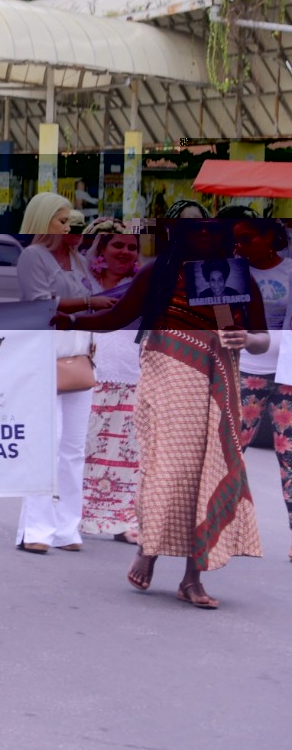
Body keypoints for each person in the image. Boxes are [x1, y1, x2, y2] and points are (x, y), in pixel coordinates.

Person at [60, 218, 268, 608]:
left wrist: (246, 337)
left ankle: (192, 577)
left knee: (211, 469)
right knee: (170, 466)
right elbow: (117, 317)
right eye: (196, 229)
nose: (204, 235)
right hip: (168, 369)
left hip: (219, 377)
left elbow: (260, 339)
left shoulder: (238, 279)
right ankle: (150, 549)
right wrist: (68, 320)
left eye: (212, 230)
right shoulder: (162, 270)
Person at [14, 192, 115, 556]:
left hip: (79, 357)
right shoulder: (31, 257)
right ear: (44, 222)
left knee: (73, 448)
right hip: (43, 357)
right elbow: (40, 303)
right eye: (62, 220)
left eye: (73, 220)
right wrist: (89, 303)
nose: (70, 227)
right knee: (46, 444)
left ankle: (67, 526)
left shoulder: (79, 259)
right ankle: (35, 528)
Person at [78, 223, 143, 544]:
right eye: (118, 245)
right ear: (101, 249)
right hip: (88, 377)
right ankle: (75, 515)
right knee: (84, 449)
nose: (125, 252)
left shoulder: (143, 286)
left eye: (132, 247)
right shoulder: (82, 284)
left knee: (127, 457)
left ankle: (124, 520)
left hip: (132, 378)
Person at [232, 217, 292, 562]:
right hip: (247, 370)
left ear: (269, 237)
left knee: (290, 456)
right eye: (236, 239)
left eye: (248, 237)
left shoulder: (289, 271)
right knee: (230, 450)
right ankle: (221, 526)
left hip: (286, 373)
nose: (240, 244)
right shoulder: (231, 270)